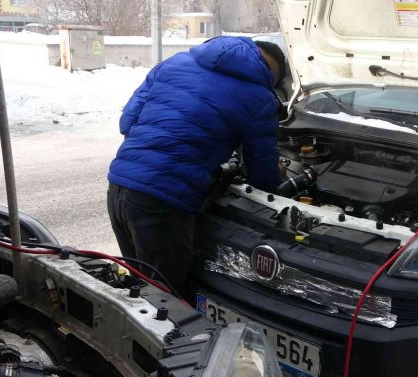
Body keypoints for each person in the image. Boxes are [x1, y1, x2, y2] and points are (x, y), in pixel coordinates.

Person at [107, 36, 286, 292]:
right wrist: (277, 174)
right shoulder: (259, 96)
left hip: (119, 186)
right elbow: (263, 177)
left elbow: (127, 122)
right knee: (163, 302)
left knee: (140, 290)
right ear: (272, 74)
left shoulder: (174, 63)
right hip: (164, 201)